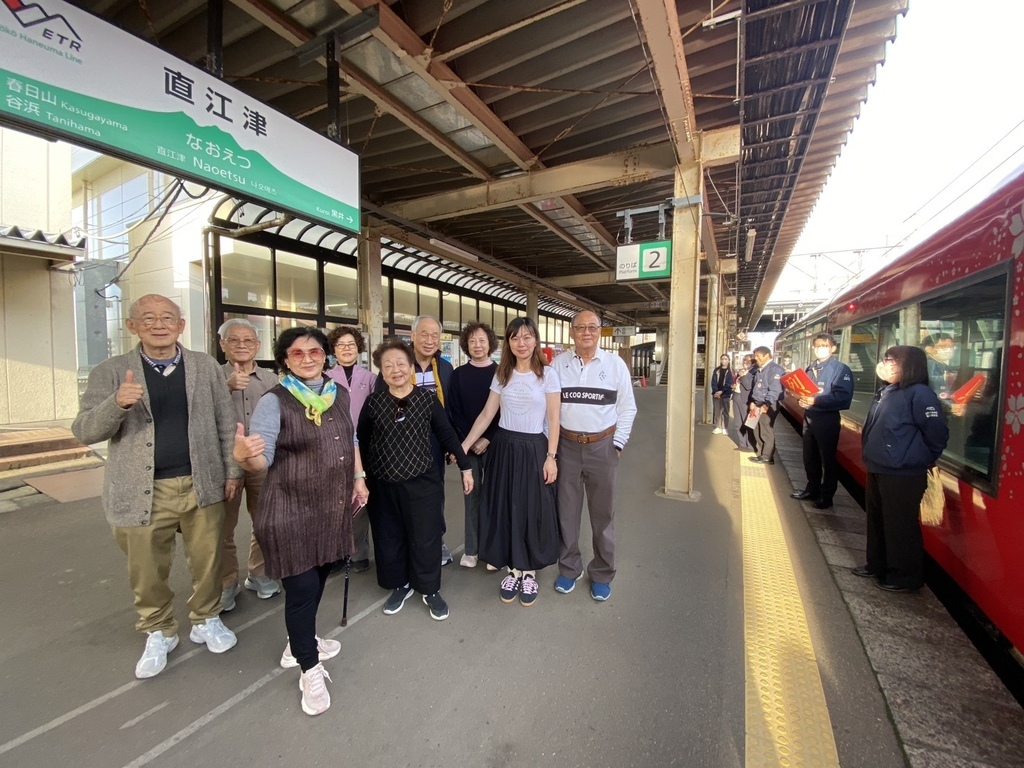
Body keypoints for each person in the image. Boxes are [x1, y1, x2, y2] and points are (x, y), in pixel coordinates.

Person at [72, 295, 242, 680]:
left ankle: (206, 618)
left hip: (202, 481)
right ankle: (159, 629)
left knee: (208, 559)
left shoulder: (204, 367)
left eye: (167, 318)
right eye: (148, 318)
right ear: (132, 326)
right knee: (147, 568)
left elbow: (225, 421)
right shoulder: (111, 372)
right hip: (139, 489)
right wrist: (116, 404)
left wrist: (232, 472)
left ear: (181, 325)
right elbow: (85, 431)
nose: (158, 324)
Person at [232, 326, 369, 716]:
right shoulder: (274, 402)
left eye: (314, 351)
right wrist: (245, 456)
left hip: (333, 507)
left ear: (325, 355)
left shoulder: (337, 393)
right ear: (285, 360)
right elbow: (262, 458)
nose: (307, 358)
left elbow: (352, 438)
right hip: (290, 512)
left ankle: (300, 638)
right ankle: (308, 665)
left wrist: (358, 478)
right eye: (297, 353)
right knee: (303, 589)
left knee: (322, 572)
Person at [359, 338, 473, 621]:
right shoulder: (374, 403)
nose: (395, 370)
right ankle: (401, 584)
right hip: (383, 484)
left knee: (425, 537)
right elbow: (360, 441)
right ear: (381, 372)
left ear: (411, 367)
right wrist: (358, 477)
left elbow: (447, 434)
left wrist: (465, 467)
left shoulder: (426, 399)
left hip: (423, 482)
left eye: (400, 363)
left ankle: (429, 589)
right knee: (389, 537)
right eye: (388, 365)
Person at [461, 317, 561, 606]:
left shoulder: (548, 375)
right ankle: (513, 568)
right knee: (506, 506)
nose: (521, 343)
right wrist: (464, 445)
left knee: (531, 507)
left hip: (534, 448)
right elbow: (486, 414)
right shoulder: (502, 374)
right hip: (504, 447)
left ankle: (528, 572)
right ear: (509, 343)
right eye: (515, 338)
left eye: (527, 337)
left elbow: (554, 420)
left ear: (536, 341)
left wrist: (551, 457)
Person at [551, 310, 637, 602]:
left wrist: (617, 444)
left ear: (600, 331)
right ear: (571, 331)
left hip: (603, 447)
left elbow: (627, 408)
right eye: (580, 328)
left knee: (603, 516)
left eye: (592, 327)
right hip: (567, 446)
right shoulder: (558, 364)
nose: (586, 332)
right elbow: (549, 408)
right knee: (567, 513)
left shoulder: (615, 365)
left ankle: (602, 572)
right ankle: (568, 568)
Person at [855, 346, 948, 592]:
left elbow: (937, 435)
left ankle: (905, 576)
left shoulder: (920, 394)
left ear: (910, 365)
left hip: (903, 472)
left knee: (900, 524)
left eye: (892, 360)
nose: (885, 365)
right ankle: (876, 564)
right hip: (878, 466)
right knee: (877, 519)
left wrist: (918, 457)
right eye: (885, 359)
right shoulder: (886, 391)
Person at [374, 315, 455, 566]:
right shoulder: (397, 365)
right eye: (424, 334)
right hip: (400, 444)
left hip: (433, 443)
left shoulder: (444, 368)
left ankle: (435, 540)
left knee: (434, 496)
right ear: (413, 336)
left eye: (435, 335)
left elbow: (449, 409)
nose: (429, 340)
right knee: (403, 496)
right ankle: (406, 544)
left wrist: (451, 445)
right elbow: (380, 404)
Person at [217, 318, 281, 611]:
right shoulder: (211, 378)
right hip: (222, 463)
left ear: (257, 345)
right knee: (220, 527)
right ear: (223, 345)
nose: (241, 345)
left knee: (265, 520)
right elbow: (197, 418)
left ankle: (259, 573)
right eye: (234, 340)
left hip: (261, 462)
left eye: (248, 340)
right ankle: (226, 582)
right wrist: (224, 388)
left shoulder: (270, 380)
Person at [447, 322, 499, 569]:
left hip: (496, 443)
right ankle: (471, 549)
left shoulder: (501, 373)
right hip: (467, 445)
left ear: (490, 343)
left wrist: (487, 437)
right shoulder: (458, 374)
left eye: (482, 340)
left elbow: (504, 412)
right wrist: (467, 441)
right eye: (472, 341)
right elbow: (453, 411)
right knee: (471, 496)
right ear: (466, 345)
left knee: (495, 496)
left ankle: (492, 551)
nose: (477, 345)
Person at [327, 325, 377, 573]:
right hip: (333, 447)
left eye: (351, 344)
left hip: (364, 448)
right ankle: (337, 553)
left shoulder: (369, 378)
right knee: (337, 502)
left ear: (358, 348)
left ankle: (359, 554)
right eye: (341, 345)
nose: (346, 349)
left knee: (361, 501)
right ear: (333, 350)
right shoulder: (325, 378)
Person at [790, 333, 854, 510]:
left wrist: (816, 401)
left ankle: (827, 495)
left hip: (827, 418)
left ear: (833, 348)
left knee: (827, 458)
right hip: (810, 416)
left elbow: (843, 398)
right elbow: (804, 391)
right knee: (810, 456)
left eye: (824, 345)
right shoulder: (811, 368)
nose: (819, 348)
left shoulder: (840, 370)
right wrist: (801, 400)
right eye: (816, 345)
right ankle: (812, 489)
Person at [748, 346, 785, 465]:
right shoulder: (761, 369)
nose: (756, 358)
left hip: (768, 404)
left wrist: (766, 404)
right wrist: (753, 402)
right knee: (756, 428)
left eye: (758, 356)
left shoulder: (775, 369)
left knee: (765, 430)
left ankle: (767, 456)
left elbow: (775, 390)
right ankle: (763, 453)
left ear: (767, 355)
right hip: (758, 403)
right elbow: (756, 388)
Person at [923, 333, 966, 417]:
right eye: (943, 346)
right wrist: (950, 406)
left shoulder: (944, 366)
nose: (948, 350)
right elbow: (937, 393)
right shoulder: (930, 366)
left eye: (950, 347)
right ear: (929, 349)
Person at [728, 354, 757, 451]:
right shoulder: (742, 371)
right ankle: (742, 444)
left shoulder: (754, 372)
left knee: (747, 422)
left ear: (753, 362)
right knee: (738, 422)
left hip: (745, 399)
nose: (745, 362)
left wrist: (743, 376)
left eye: (748, 360)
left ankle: (750, 445)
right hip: (736, 396)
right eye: (744, 360)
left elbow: (749, 386)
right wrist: (734, 385)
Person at [709, 353, 734, 435]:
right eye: (722, 359)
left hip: (725, 394)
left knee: (725, 411)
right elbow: (713, 382)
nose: (723, 360)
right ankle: (718, 426)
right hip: (716, 394)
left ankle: (724, 427)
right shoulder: (717, 370)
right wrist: (716, 391)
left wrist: (722, 391)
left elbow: (729, 383)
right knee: (717, 411)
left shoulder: (730, 371)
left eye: (725, 359)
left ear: (729, 360)